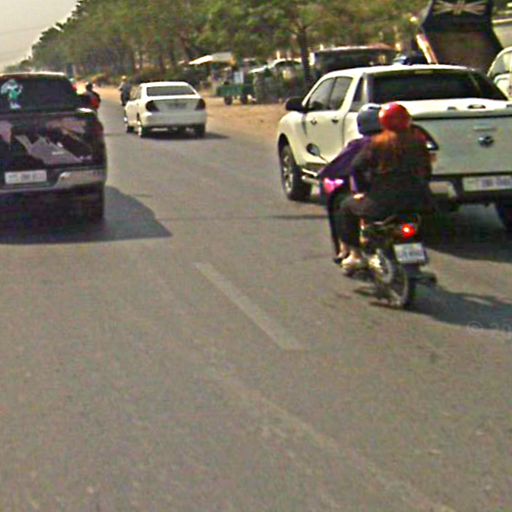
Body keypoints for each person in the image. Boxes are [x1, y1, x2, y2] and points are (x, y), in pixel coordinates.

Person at [336, 102, 433, 270]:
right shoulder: (418, 142)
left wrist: (362, 191)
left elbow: (357, 167)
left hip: (382, 202)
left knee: (345, 207)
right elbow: (427, 171)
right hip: (418, 200)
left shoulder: (378, 143)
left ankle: (355, 255)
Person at [318, 103, 382, 264]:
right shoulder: (410, 141)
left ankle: (352, 251)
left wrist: (324, 172)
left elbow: (350, 167)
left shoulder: (362, 145)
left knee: (344, 206)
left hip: (378, 197)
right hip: (416, 198)